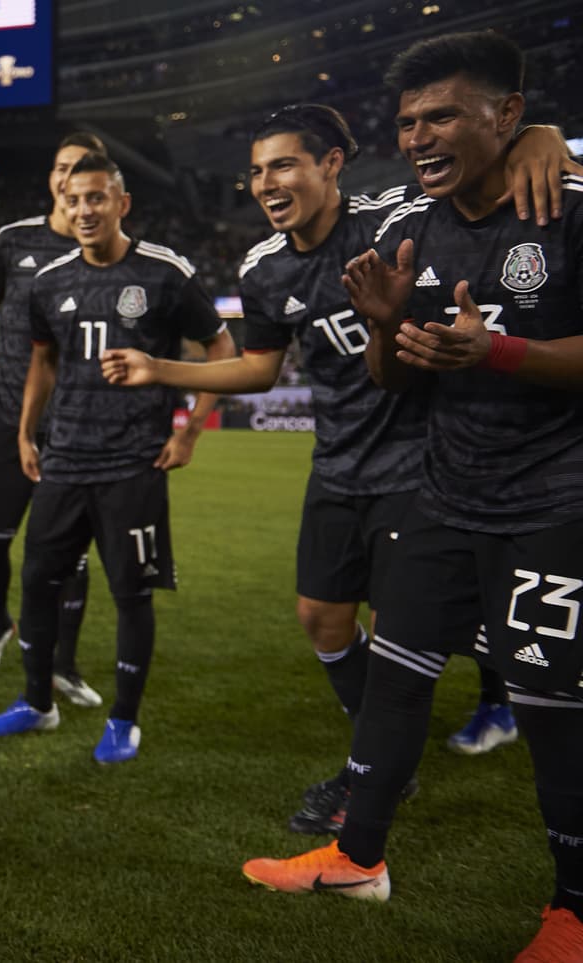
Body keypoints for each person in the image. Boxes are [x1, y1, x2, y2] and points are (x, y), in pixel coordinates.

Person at [99, 105, 574, 830]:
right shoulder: (263, 267)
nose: (266, 183)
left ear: (331, 165)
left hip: (419, 460)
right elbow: (260, 368)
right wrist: (159, 368)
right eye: (257, 170)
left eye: (284, 164)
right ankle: (385, 743)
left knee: (412, 626)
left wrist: (539, 136)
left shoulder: (390, 219)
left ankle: (434, 738)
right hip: (338, 463)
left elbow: (480, 168)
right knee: (321, 617)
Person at [240, 31, 583, 961]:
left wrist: (499, 349)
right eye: (408, 121)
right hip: (444, 490)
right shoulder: (416, 228)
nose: (421, 136)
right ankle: (358, 858)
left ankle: (575, 908)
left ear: (507, 116)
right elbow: (395, 383)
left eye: (443, 116)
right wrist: (391, 330)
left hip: (556, 503)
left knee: (555, 711)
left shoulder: (564, 204)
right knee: (394, 683)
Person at [0, 152, 236, 763]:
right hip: (64, 458)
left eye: (96, 198)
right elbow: (42, 361)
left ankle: (123, 719)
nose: (84, 209)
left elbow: (222, 347)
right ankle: (37, 702)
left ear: (122, 203)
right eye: (73, 199)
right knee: (38, 580)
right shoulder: (50, 279)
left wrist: (190, 431)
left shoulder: (164, 272)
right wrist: (24, 433)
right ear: (62, 205)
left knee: (130, 592)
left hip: (133, 464)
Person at [0, 131, 109, 708]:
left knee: (72, 555)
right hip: (4, 413)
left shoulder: (105, 252)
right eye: (63, 167)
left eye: (83, 171)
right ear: (52, 177)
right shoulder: (13, 241)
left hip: (72, 429)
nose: (71, 180)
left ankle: (64, 663)